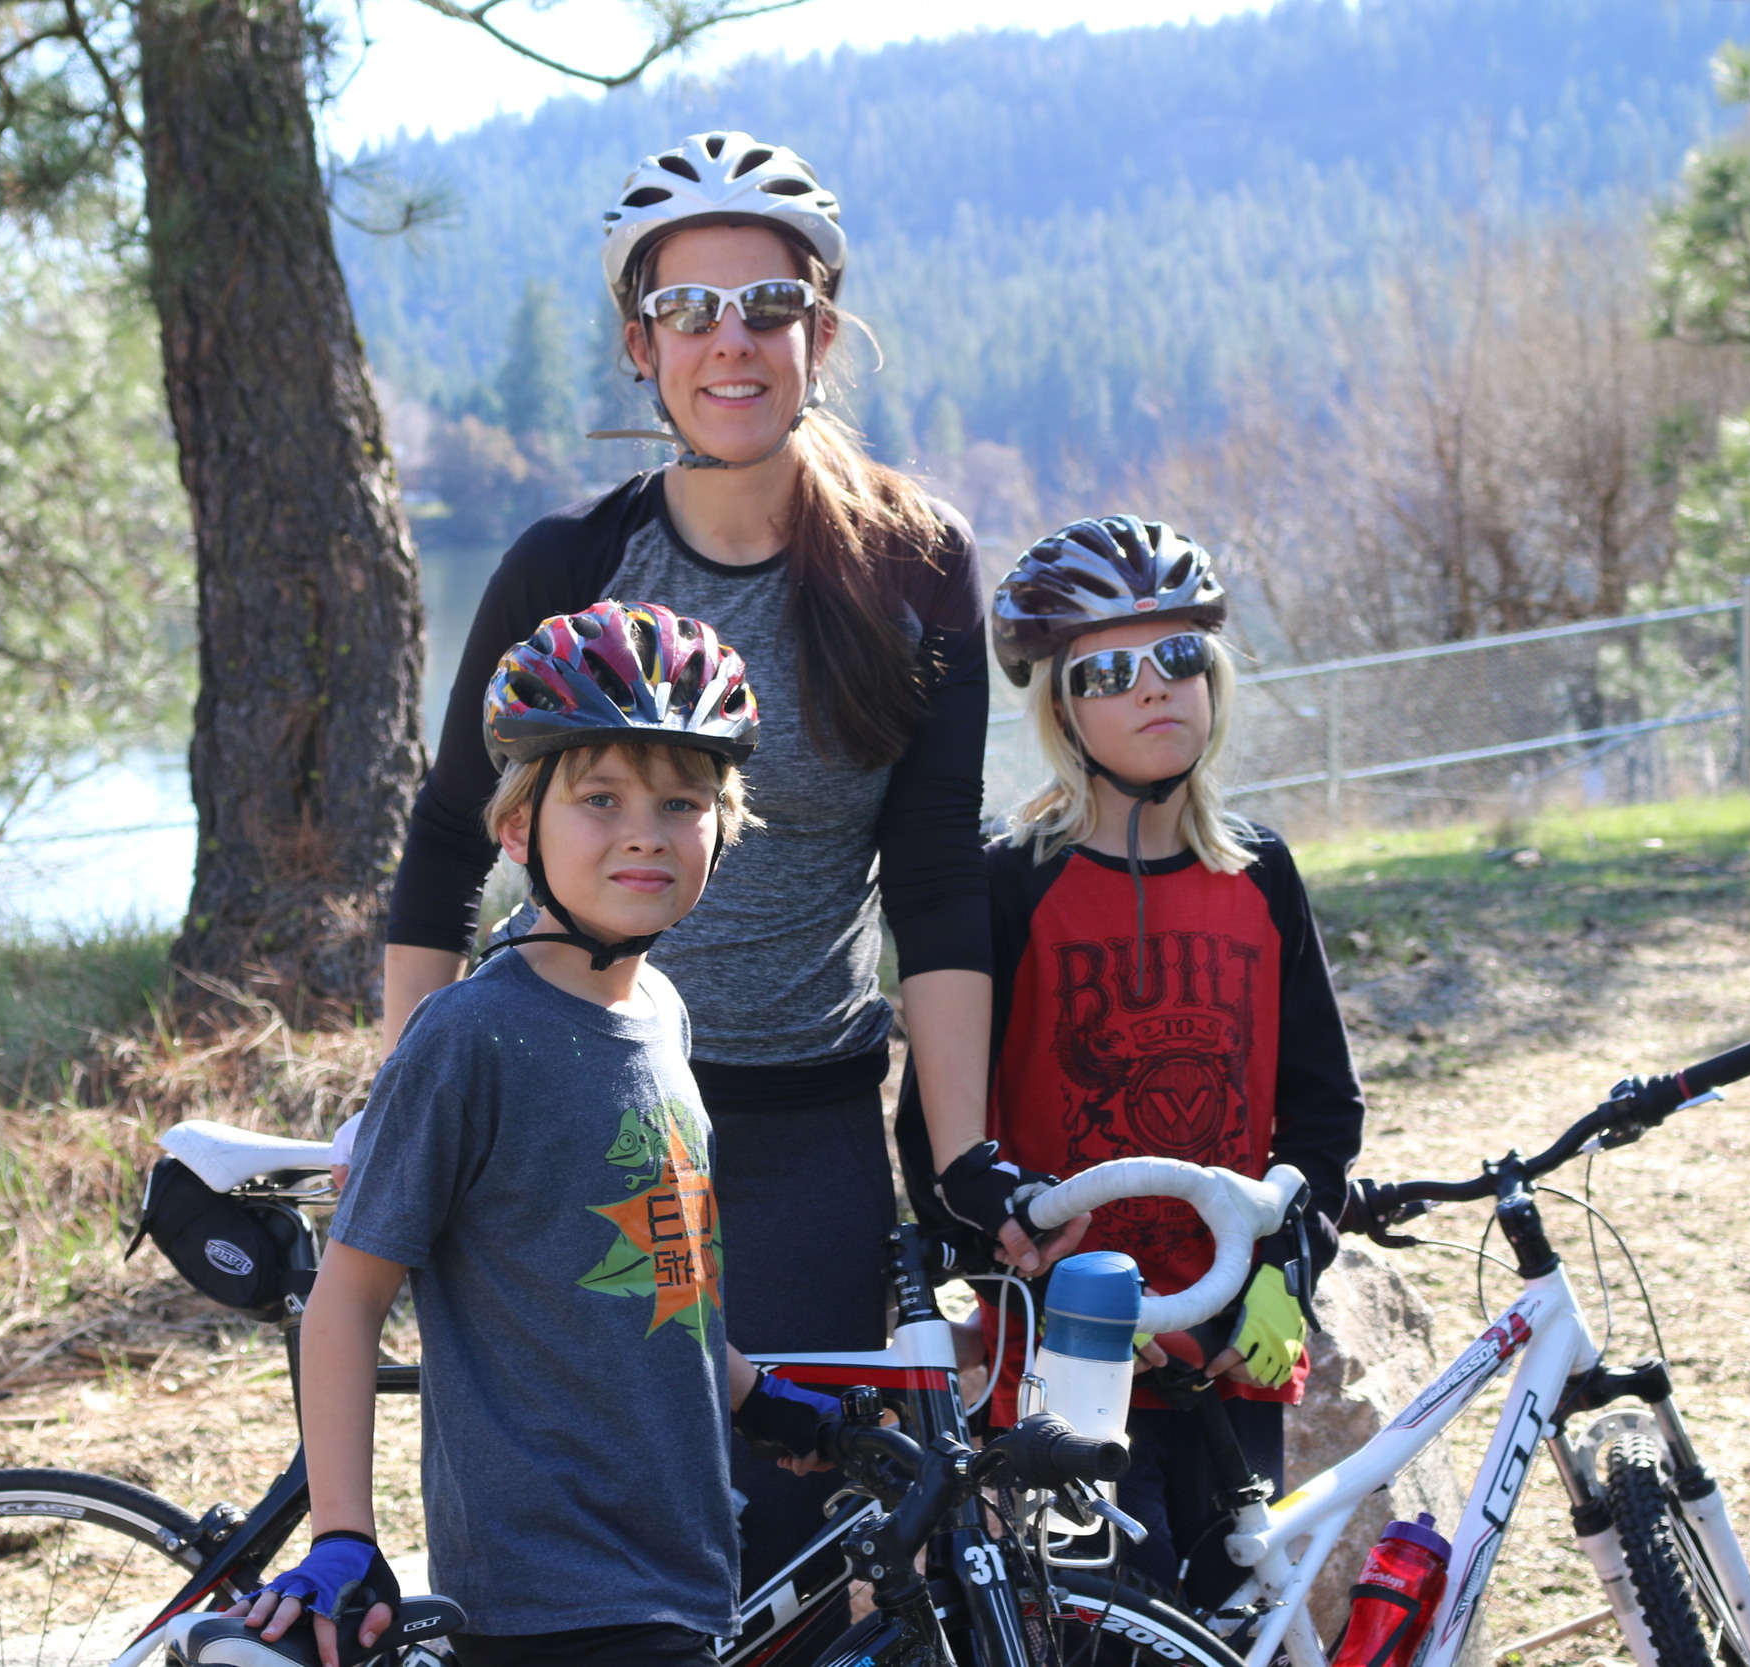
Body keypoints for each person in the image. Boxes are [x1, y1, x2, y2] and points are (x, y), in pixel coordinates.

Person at [358, 130, 1073, 1593]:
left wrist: (956, 1154)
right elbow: (444, 845)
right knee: (591, 1549)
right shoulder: (570, 565)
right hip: (570, 1123)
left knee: (801, 1545)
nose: (729, 342)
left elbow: (932, 872)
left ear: (822, 328)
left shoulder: (914, 561)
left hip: (804, 1129)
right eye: (690, 310)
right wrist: (403, 1112)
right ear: (640, 343)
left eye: (768, 305)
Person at [238, 603, 843, 1667]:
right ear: (518, 828)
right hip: (547, 1598)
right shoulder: (472, 1035)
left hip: (682, 1565)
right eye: (598, 798)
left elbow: (654, 1281)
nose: (645, 829)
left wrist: (757, 1396)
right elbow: (346, 1300)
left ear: (722, 822)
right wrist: (344, 1532)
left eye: (681, 800)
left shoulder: (659, 1012)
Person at [900, 516, 1364, 1609]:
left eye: (1180, 656)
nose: (1155, 687)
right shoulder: (1006, 880)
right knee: (1103, 1625)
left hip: (1225, 1337)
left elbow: (1320, 1110)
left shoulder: (1261, 873)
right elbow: (937, 1136)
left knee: (1230, 1615)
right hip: (1077, 1351)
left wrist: (1285, 1266)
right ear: (1060, 707)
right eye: (1109, 669)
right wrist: (1015, 1264)